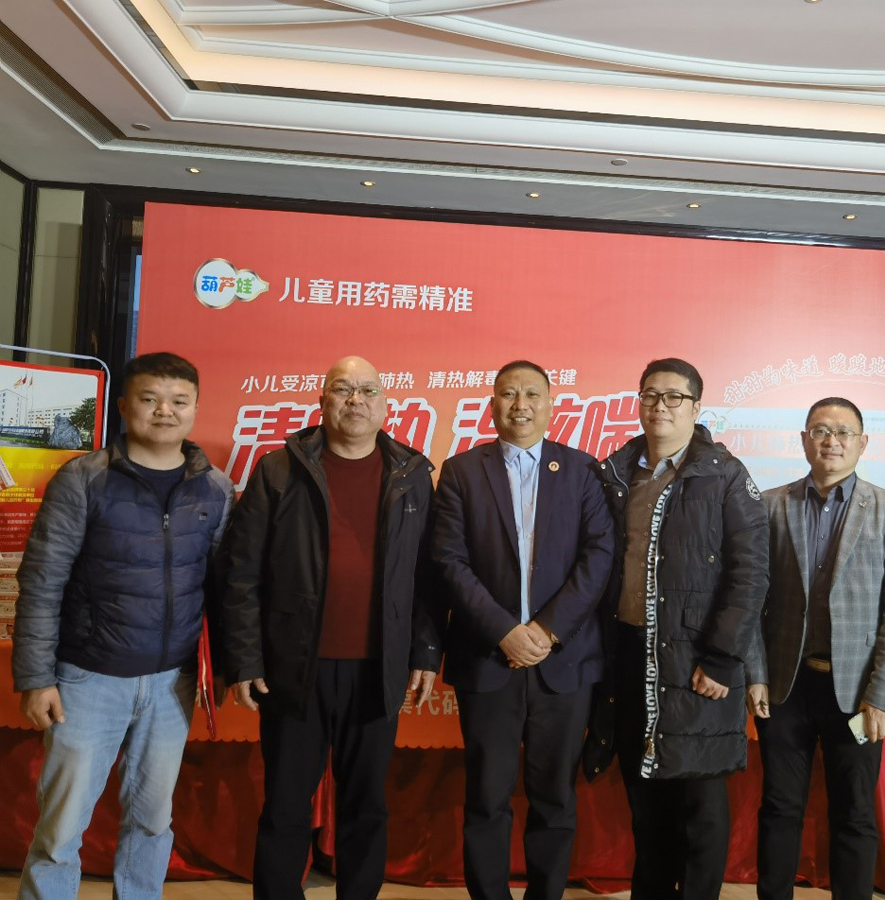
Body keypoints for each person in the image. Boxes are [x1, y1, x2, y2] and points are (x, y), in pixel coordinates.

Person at [12, 351, 234, 899]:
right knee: (61, 829)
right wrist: (36, 677)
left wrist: (224, 671)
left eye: (179, 401)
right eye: (150, 399)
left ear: (196, 408)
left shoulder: (215, 488)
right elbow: (42, 581)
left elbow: (225, 590)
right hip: (87, 680)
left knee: (153, 823)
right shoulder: (83, 479)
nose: (165, 411)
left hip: (172, 684)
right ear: (125, 405)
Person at [219, 355, 441, 900]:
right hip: (295, 667)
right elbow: (241, 573)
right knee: (285, 804)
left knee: (366, 805)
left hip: (377, 669)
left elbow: (428, 577)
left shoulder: (412, 475)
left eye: (368, 390)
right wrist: (244, 660)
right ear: (322, 402)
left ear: (385, 405)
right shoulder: (279, 470)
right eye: (343, 389)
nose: (355, 400)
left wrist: (425, 653)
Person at [585, 357, 769, 900]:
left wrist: (722, 658)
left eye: (673, 397)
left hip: (697, 660)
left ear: (696, 407)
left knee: (700, 811)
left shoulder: (725, 474)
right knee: (646, 804)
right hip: (628, 654)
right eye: (649, 395)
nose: (659, 406)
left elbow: (751, 573)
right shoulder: (616, 473)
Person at [430, 360, 614, 900]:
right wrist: (504, 632)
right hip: (489, 660)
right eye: (509, 394)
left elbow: (599, 555)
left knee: (555, 797)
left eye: (532, 394)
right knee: (486, 796)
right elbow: (448, 560)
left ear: (551, 404)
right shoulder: (462, 471)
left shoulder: (582, 471)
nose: (521, 405)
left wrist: (548, 631)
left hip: (564, 663)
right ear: (492, 405)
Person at [745, 397, 885, 900]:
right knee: (780, 807)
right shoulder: (770, 505)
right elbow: (752, 600)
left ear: (863, 443)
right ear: (804, 440)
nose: (832, 441)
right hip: (785, 685)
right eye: (820, 430)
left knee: (855, 813)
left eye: (844, 432)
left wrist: (884, 695)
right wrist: (755, 673)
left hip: (859, 690)